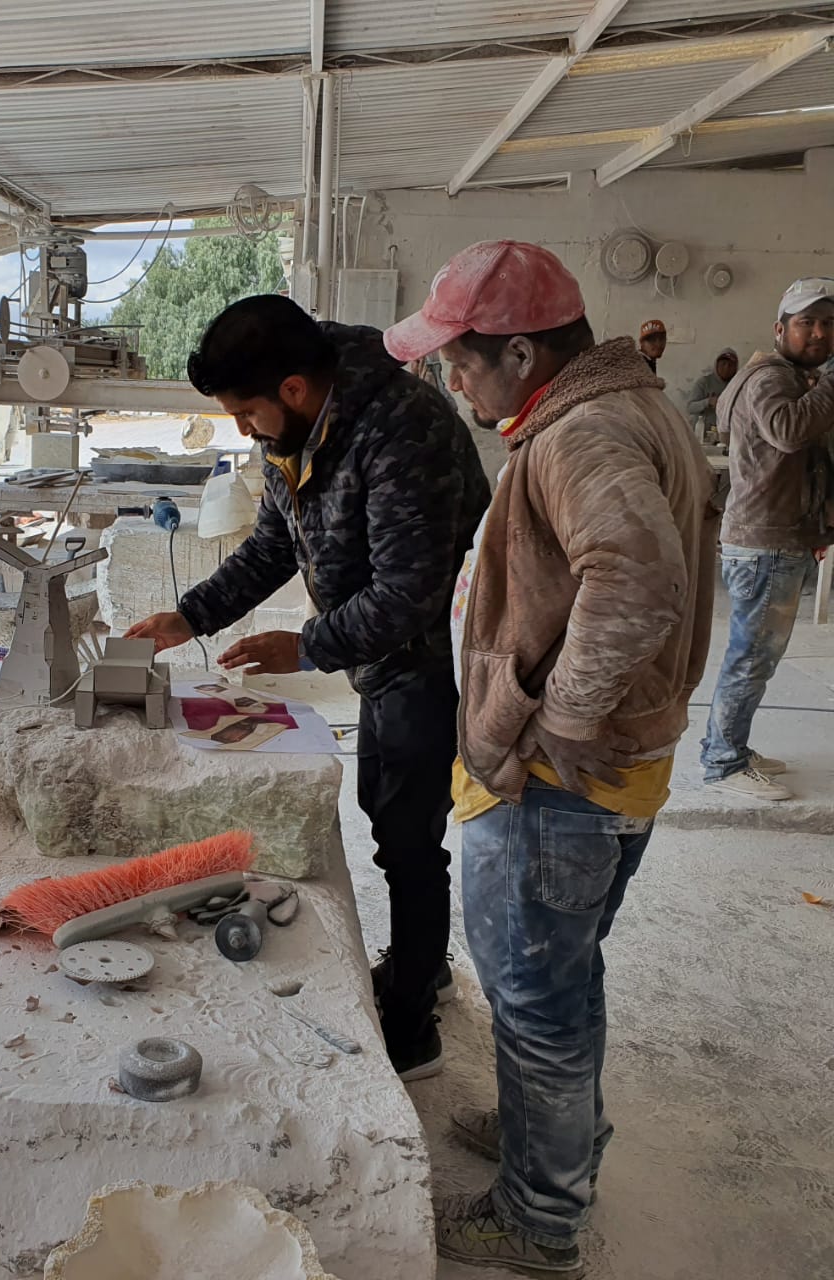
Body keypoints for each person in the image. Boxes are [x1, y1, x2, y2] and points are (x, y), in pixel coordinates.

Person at [383, 240, 716, 1278]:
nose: (452, 381)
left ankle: (539, 1216)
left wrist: (554, 721)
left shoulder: (581, 434)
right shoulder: (623, 404)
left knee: (535, 1000)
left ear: (521, 354)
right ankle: (553, 1141)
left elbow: (635, 581)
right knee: (561, 980)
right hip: (609, 770)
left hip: (558, 782)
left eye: (459, 362)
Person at [125, 294, 490, 1080]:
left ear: (293, 388)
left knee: (407, 838)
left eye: (246, 413)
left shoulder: (402, 430)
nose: (243, 430)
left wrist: (306, 647)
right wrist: (190, 616)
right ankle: (423, 968)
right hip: (381, 656)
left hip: (432, 657)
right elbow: (273, 546)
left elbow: (408, 595)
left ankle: (412, 1027)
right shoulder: (293, 430)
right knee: (390, 818)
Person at [699, 278, 834, 801]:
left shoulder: (788, 376)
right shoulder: (771, 378)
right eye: (807, 322)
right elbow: (788, 431)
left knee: (756, 657)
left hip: (777, 537)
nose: (819, 333)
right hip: (765, 542)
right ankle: (723, 763)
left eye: (828, 323)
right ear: (780, 329)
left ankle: (729, 745)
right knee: (751, 657)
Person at [686, 347, 738, 440]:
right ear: (716, 365)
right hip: (703, 436)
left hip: (728, 437)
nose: (726, 368)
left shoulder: (738, 385)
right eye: (723, 364)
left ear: (735, 367)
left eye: (730, 365)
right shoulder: (704, 382)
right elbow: (690, 407)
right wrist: (708, 402)